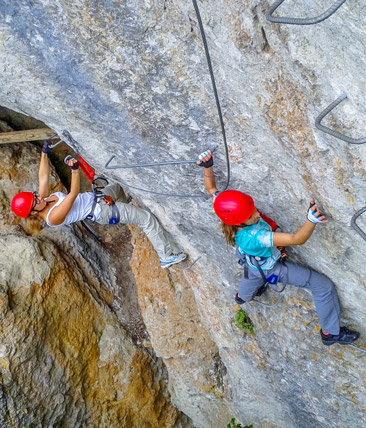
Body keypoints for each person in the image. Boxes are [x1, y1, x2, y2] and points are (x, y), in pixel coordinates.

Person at [198, 150, 359, 346]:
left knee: (252, 277)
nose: (257, 213)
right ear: (240, 221)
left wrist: (208, 166)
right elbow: (297, 239)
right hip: (272, 268)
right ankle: (330, 333)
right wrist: (311, 220)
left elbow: (211, 189)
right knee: (323, 287)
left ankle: (243, 297)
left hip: (252, 263)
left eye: (253, 208)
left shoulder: (227, 212)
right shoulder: (256, 237)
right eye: (251, 215)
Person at [10, 141, 187, 269]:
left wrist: (44, 152)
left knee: (117, 187)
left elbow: (42, 177)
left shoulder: (43, 201)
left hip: (100, 197)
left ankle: (128, 213)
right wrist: (75, 170)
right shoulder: (53, 217)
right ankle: (166, 257)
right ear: (33, 211)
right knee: (148, 219)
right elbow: (72, 195)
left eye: (35, 196)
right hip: (101, 210)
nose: (38, 198)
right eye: (35, 201)